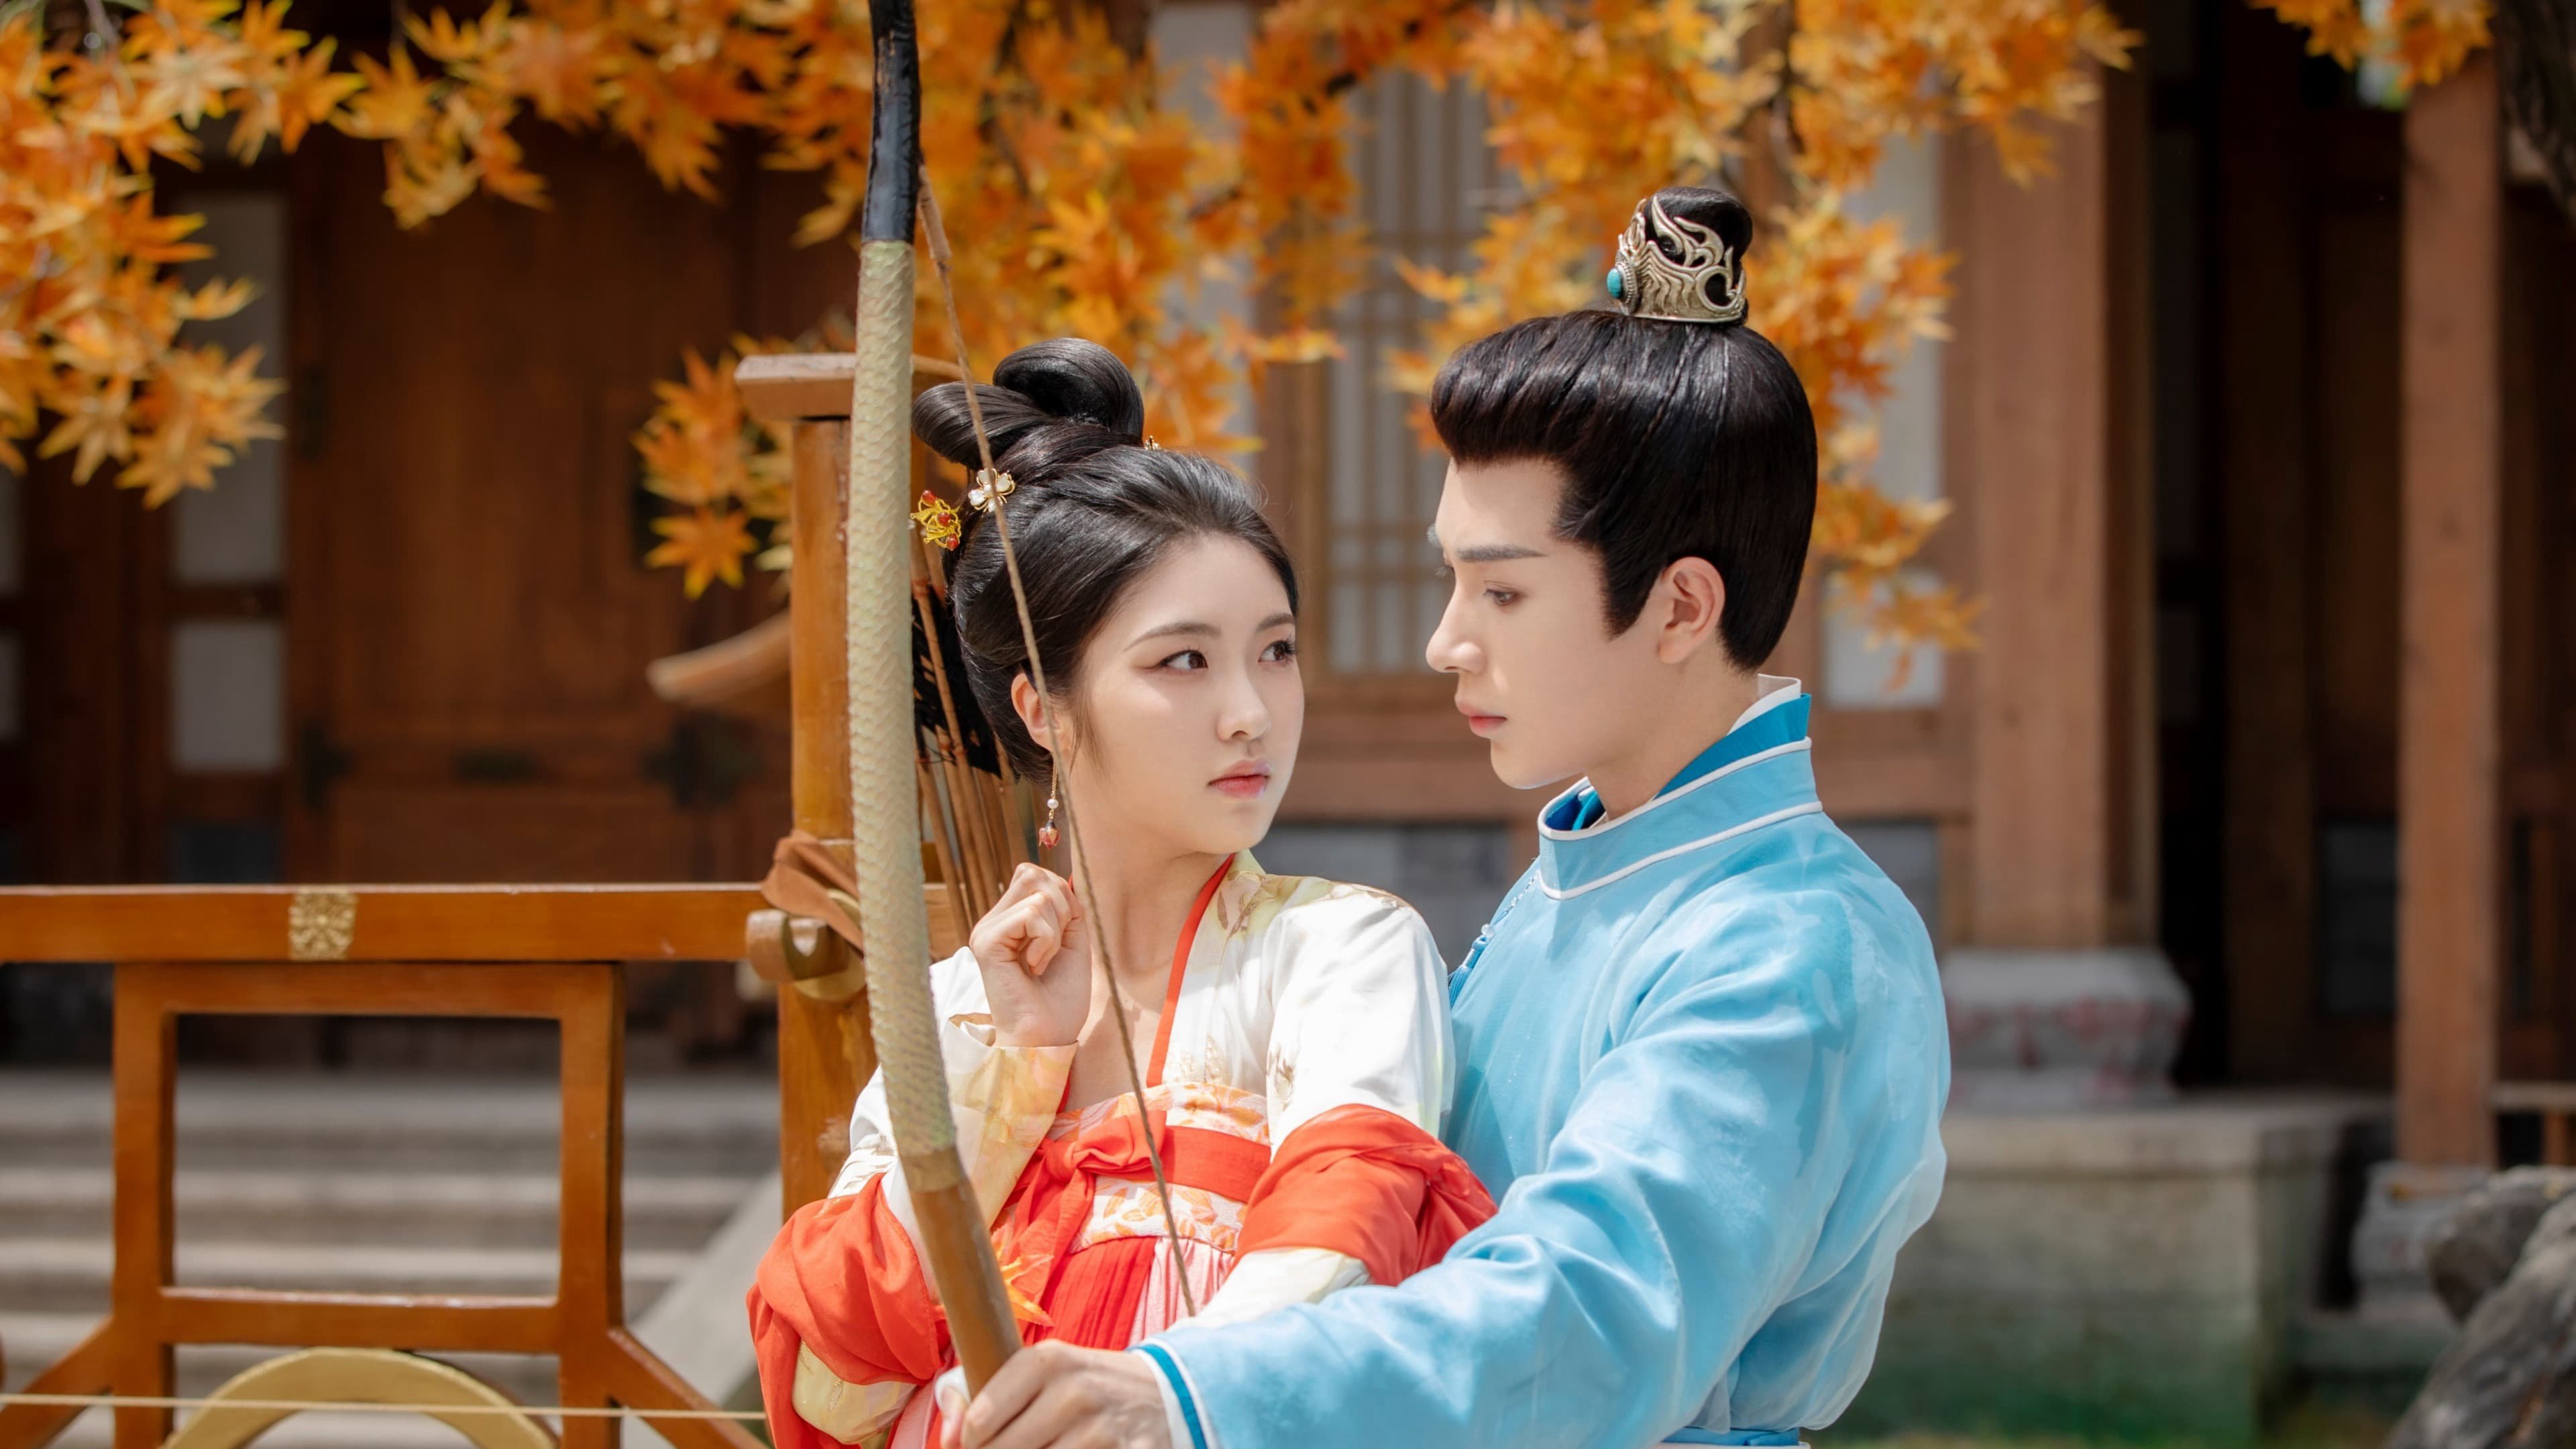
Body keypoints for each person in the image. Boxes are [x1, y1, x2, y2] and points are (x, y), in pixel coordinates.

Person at [945, 187, 1952, 1449]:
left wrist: (1199, 1393)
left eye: (1502, 593)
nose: (1446, 642)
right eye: (1449, 579)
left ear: (1682, 608)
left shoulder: (1792, 941)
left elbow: (1585, 1316)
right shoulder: (1591, 874)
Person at [746, 339, 1497, 1449]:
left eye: (1276, 651)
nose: (1251, 712)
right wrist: (1017, 1069)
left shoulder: (1344, 952)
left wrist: (1154, 1395)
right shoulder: (967, 1007)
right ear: (1043, 709)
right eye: (1183, 661)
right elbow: (828, 1382)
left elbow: (1341, 1247)